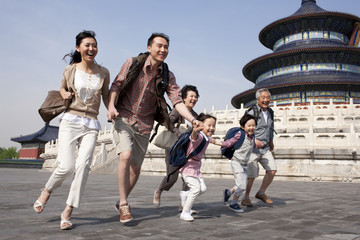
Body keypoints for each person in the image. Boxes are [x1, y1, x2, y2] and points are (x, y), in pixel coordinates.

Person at [107, 33, 201, 223]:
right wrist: (110, 106)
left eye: (166, 47)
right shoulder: (132, 63)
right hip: (123, 117)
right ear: (149, 47)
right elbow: (116, 85)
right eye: (159, 46)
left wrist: (192, 119)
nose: (162, 50)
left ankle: (121, 200)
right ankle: (124, 204)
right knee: (125, 155)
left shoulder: (167, 75)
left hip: (145, 123)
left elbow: (177, 101)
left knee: (136, 169)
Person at [33, 30, 110, 230]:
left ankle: (67, 210)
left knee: (83, 167)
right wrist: (64, 93)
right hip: (70, 120)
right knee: (66, 166)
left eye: (94, 45)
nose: (91, 48)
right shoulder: (71, 70)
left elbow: (107, 95)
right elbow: (61, 87)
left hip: (92, 123)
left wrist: (112, 109)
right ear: (78, 48)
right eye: (87, 45)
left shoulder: (104, 72)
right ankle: (47, 190)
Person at [153, 85, 199, 210]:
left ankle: (183, 205)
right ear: (184, 98)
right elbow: (168, 122)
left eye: (196, 97)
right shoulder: (177, 110)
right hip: (173, 148)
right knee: (172, 177)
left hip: (187, 149)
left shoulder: (195, 115)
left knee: (188, 178)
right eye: (191, 96)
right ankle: (159, 190)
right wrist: (176, 131)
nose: (194, 99)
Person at [212, 114, 258, 213]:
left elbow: (252, 146)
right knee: (241, 186)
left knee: (242, 185)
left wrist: (260, 145)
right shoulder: (240, 134)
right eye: (249, 125)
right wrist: (216, 142)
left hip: (245, 164)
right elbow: (229, 143)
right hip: (236, 162)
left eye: (253, 125)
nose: (251, 128)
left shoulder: (253, 136)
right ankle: (234, 203)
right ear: (243, 126)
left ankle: (228, 192)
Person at [241, 88, 276, 207]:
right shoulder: (252, 112)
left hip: (265, 148)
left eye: (268, 98)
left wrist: (271, 141)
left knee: (272, 170)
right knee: (251, 175)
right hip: (253, 149)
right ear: (257, 100)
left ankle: (261, 192)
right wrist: (254, 140)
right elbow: (243, 127)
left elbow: (270, 128)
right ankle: (245, 197)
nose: (266, 100)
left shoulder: (270, 112)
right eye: (263, 98)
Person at [179, 113, 216, 222]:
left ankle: (185, 194)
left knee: (203, 189)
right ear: (201, 125)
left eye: (213, 126)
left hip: (196, 169)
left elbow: (213, 141)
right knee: (195, 189)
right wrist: (195, 130)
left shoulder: (206, 138)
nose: (212, 128)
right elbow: (193, 137)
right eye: (209, 125)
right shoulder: (199, 136)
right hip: (188, 167)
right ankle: (185, 212)